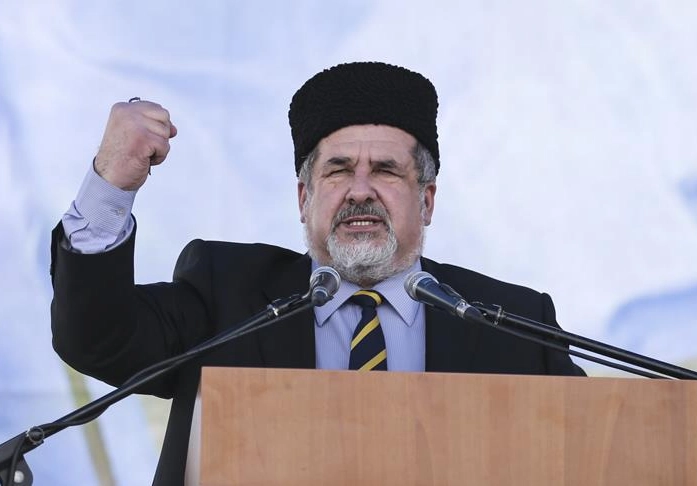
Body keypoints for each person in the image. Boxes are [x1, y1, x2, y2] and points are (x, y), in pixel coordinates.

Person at [50, 61, 585, 485]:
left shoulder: (510, 323)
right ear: (304, 198)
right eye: (337, 170)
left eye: (386, 171)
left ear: (426, 200)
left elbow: (593, 452)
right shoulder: (227, 292)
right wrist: (111, 184)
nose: (359, 191)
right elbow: (97, 339)